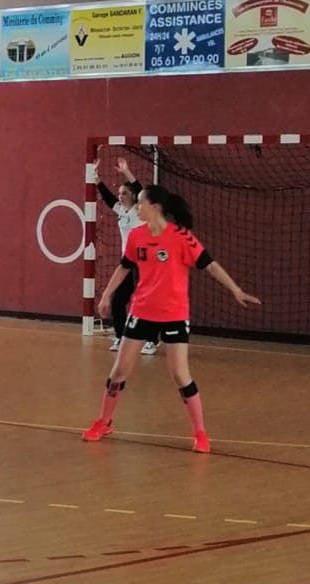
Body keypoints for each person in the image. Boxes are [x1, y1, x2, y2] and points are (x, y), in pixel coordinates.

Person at [83, 185, 260, 453]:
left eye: (141, 202)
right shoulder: (137, 236)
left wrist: (235, 289)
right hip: (142, 311)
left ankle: (200, 433)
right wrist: (106, 295)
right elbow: (124, 267)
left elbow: (210, 264)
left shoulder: (181, 237)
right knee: (119, 371)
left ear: (155, 207)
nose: (137, 207)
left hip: (174, 314)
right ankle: (104, 422)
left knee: (180, 374)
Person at [94, 156, 154, 355]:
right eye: (119, 193)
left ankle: (151, 340)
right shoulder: (120, 210)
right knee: (118, 300)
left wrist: (126, 171)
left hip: (143, 262)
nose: (120, 196)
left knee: (144, 300)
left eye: (124, 193)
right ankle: (120, 336)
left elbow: (139, 187)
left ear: (133, 196)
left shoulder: (139, 210)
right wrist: (97, 179)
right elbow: (107, 197)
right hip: (127, 263)